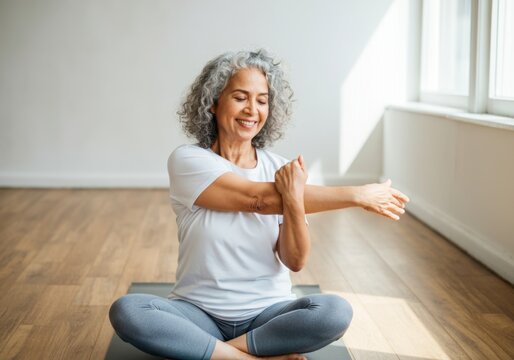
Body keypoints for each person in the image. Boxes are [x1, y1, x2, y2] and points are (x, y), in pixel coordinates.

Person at [109, 49, 409, 360]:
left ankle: (215, 354)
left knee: (333, 312)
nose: (252, 110)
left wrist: (293, 198)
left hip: (266, 317)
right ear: (213, 102)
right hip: (199, 314)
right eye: (240, 97)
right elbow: (257, 199)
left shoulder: (280, 170)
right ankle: (250, 357)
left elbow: (295, 260)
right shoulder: (189, 160)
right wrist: (356, 195)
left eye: (262, 100)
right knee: (129, 311)